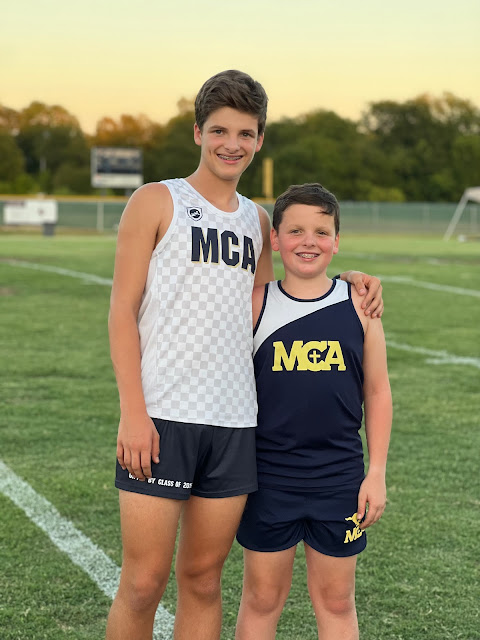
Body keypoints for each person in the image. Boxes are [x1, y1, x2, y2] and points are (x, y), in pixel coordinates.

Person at [105, 71, 384, 640]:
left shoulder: (257, 221)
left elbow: (278, 300)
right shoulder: (156, 200)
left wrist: (350, 280)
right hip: (162, 417)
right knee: (143, 582)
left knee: (204, 579)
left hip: (236, 425)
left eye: (245, 133)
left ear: (259, 140)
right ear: (197, 132)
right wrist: (133, 411)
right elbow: (120, 311)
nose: (231, 144)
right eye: (219, 130)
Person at [235, 183, 392, 640]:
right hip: (268, 476)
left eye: (322, 232)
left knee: (337, 601)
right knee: (262, 598)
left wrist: (376, 472)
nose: (309, 242)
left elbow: (377, 391)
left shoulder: (360, 304)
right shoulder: (255, 302)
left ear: (337, 241)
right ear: (275, 239)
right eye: (296, 231)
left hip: (339, 477)